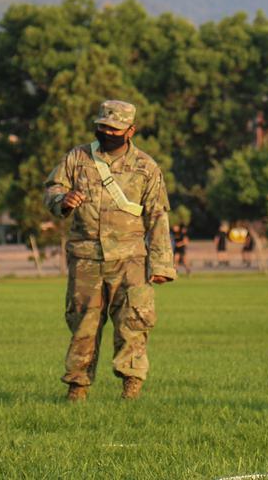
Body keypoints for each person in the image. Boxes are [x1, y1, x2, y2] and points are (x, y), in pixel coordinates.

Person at [44, 99, 176, 401]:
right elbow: (52, 188)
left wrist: (161, 265)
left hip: (131, 260)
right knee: (83, 325)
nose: (107, 132)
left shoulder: (146, 167)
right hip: (86, 258)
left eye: (114, 128)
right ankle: (77, 388)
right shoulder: (77, 158)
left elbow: (157, 216)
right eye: (102, 127)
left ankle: (131, 389)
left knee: (133, 324)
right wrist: (62, 200)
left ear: (130, 130)